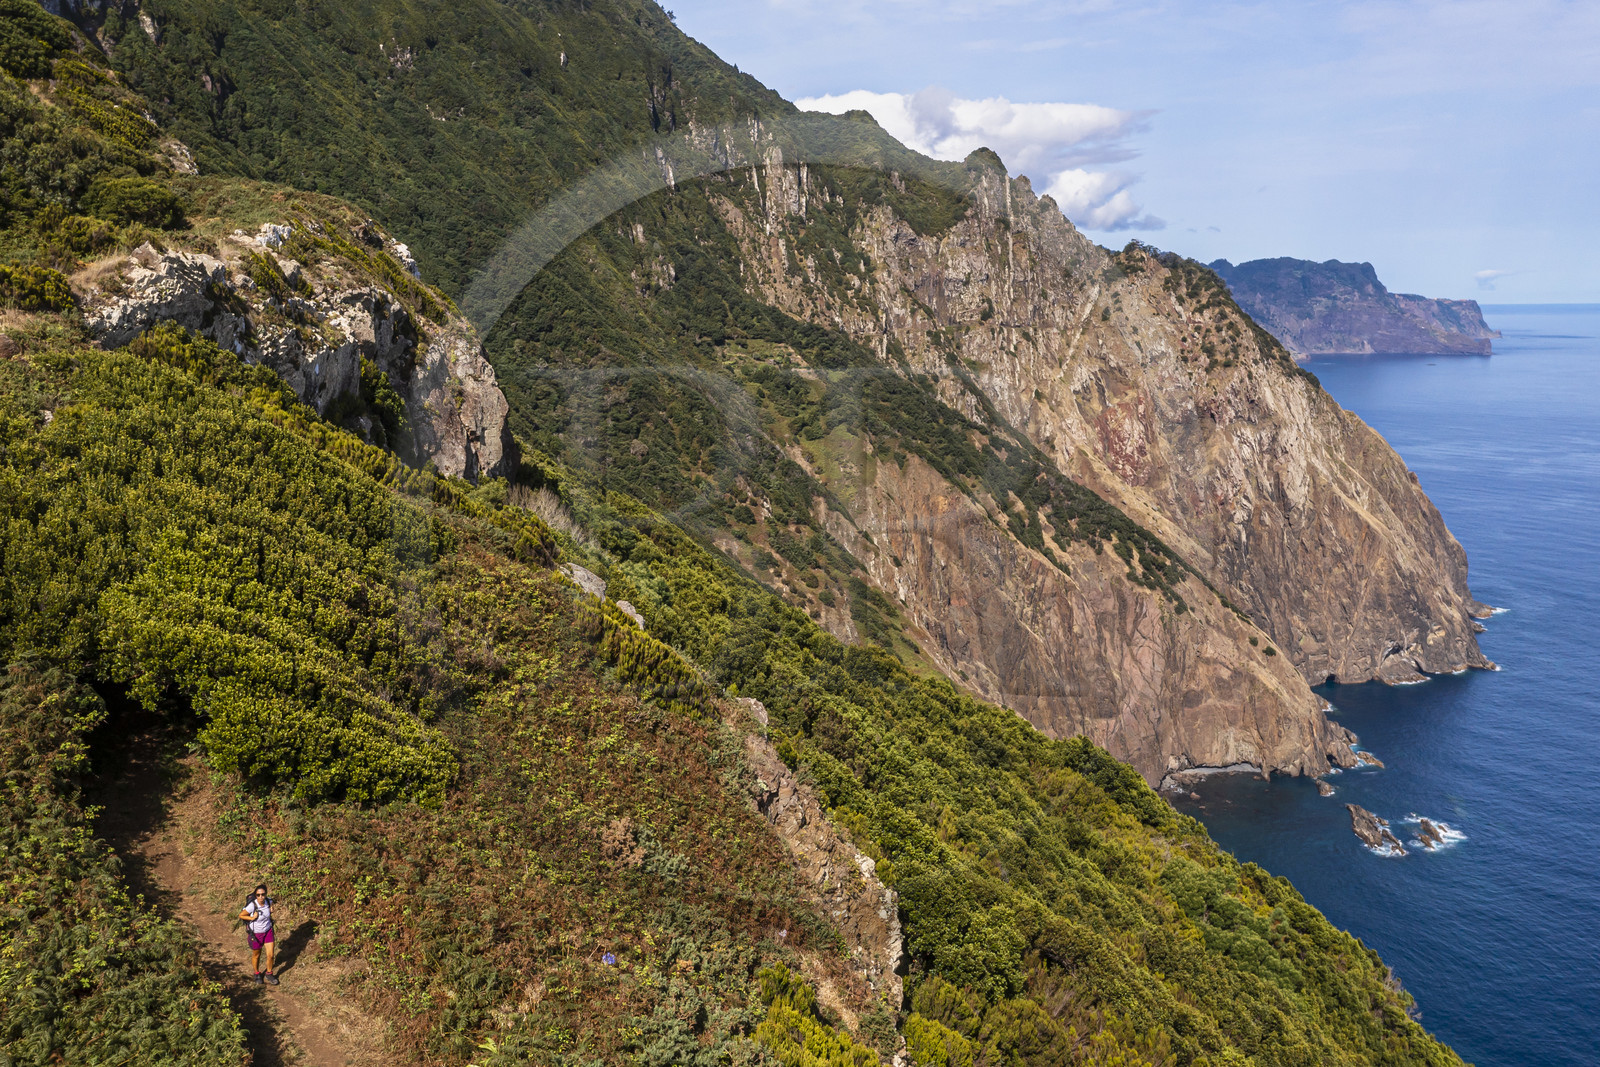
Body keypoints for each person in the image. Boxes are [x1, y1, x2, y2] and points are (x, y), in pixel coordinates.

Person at [239, 883, 279, 985]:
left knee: (271, 955)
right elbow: (241, 915)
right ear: (255, 895)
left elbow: (271, 906)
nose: (261, 897)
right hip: (256, 934)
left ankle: (269, 973)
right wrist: (252, 917)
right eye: (258, 895)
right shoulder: (252, 905)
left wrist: (271, 909)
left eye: (263, 894)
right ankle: (256, 973)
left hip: (268, 931)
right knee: (257, 955)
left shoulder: (268, 901)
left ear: (266, 894)